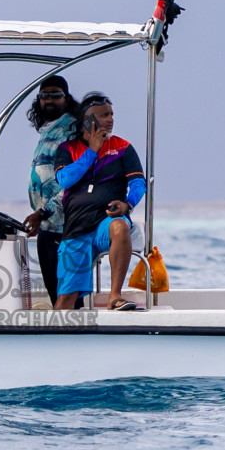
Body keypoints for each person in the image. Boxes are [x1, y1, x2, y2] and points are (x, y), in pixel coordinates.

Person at [51, 93, 147, 311]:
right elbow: (66, 180)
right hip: (77, 228)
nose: (111, 119)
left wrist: (127, 204)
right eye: (104, 115)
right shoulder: (67, 149)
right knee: (65, 301)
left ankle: (115, 296)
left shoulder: (123, 147)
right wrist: (92, 151)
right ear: (87, 119)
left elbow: (139, 183)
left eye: (112, 114)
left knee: (121, 225)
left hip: (106, 223)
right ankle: (56, 339)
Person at [21, 75, 82, 306]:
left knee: (66, 297)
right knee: (55, 293)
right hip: (47, 225)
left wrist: (43, 213)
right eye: (44, 96)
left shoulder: (71, 132)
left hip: (64, 225)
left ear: (66, 99)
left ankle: (75, 339)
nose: (49, 100)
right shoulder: (47, 131)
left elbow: (72, 183)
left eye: (55, 95)